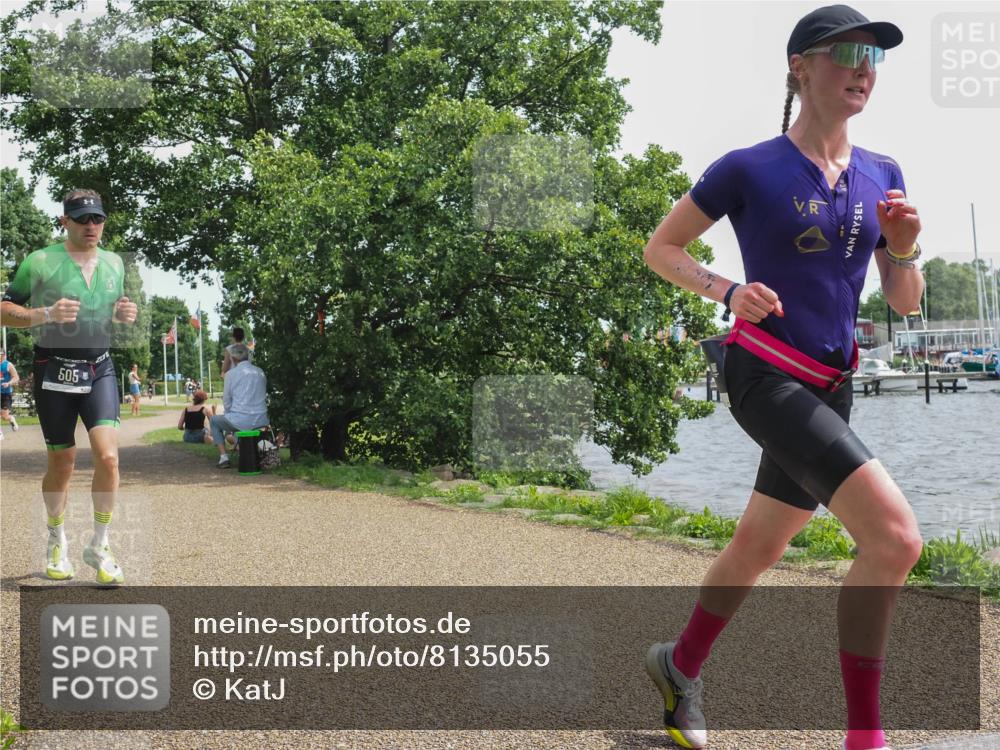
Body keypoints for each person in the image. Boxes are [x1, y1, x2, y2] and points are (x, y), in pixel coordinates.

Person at [642, 7, 922, 750]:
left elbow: (904, 301)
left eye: (873, 57)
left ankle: (679, 665)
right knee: (895, 541)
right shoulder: (748, 167)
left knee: (758, 547)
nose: (863, 68)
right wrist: (727, 292)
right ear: (799, 67)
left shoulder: (883, 173)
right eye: (845, 54)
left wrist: (904, 249)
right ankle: (866, 738)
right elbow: (661, 249)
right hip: (766, 374)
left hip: (835, 382)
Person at [0, 189, 138, 585]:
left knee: (109, 458)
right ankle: (56, 538)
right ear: (65, 222)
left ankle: (100, 543)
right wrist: (46, 313)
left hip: (99, 368)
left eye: (97, 218)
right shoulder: (40, 261)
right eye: (82, 219)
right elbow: (5, 311)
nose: (91, 226)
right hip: (53, 369)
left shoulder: (114, 263)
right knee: (63, 463)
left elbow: (113, 310)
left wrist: (125, 313)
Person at [210, 342, 268, 468]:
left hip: (241, 420)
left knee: (214, 420)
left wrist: (229, 413)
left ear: (232, 358)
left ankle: (224, 457)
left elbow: (226, 400)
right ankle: (246, 452)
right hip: (262, 419)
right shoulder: (260, 371)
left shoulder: (230, 374)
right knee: (236, 421)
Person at [0, 348, 20, 437]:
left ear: (3, 355)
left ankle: (11, 418)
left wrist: (8, 383)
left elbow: (16, 377)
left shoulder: (8, 365)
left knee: (4, 416)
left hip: (5, 393)